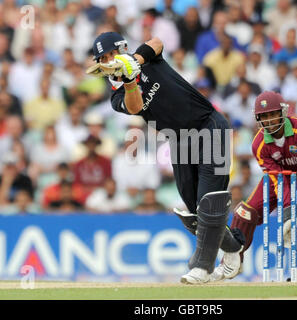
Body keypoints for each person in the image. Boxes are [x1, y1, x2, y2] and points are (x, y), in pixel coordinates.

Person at [87, 31, 245, 284]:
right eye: (103, 58)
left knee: (209, 202)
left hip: (208, 125)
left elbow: (157, 43)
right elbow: (136, 106)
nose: (109, 60)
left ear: (122, 48)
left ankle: (201, 267)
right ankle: (233, 247)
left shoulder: (147, 59)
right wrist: (129, 80)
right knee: (195, 211)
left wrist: (134, 62)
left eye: (112, 54)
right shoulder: (116, 95)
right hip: (179, 140)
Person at [212, 91, 297, 283]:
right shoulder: (258, 144)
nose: (269, 120)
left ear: (282, 112)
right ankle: (231, 263)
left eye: (272, 114)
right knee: (244, 213)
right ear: (258, 118)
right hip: (281, 174)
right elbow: (277, 180)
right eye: (264, 116)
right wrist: (291, 213)